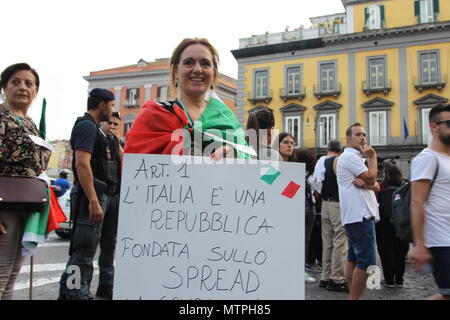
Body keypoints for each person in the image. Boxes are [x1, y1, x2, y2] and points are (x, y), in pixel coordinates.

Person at [124, 38, 247, 159]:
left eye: (205, 63)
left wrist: (235, 153)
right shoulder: (152, 116)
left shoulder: (227, 117)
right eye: (189, 62)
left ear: (213, 73)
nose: (198, 69)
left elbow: (249, 155)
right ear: (176, 72)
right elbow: (131, 168)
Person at [58, 88, 121, 300]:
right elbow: (82, 164)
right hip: (91, 196)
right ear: (102, 104)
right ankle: (75, 292)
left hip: (107, 194)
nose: (113, 110)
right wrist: (93, 200)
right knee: (83, 249)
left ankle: (96, 289)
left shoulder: (101, 132)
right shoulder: (86, 126)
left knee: (105, 246)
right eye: (111, 105)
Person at [0, 63, 51, 299]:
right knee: (1, 273)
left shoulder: (30, 123)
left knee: (12, 275)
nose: (23, 87)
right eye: (16, 82)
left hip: (28, 203)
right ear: (4, 87)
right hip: (4, 205)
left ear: (35, 91)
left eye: (29, 83)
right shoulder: (1, 116)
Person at [409, 103, 450, 300]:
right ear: (434, 127)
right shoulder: (427, 158)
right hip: (441, 239)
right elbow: (417, 202)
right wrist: (420, 245)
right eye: (449, 123)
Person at [336, 122, 379, 300]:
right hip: (360, 215)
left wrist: (369, 183)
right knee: (367, 261)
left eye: (364, 135)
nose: (363, 138)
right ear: (348, 139)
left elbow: (375, 185)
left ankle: (353, 297)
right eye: (358, 134)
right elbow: (372, 177)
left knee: (353, 258)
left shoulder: (354, 158)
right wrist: (373, 156)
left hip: (357, 215)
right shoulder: (350, 157)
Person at [312, 139, 348, 292]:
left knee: (327, 241)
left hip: (324, 204)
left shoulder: (321, 161)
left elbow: (316, 185)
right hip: (337, 203)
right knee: (340, 240)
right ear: (340, 150)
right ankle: (338, 278)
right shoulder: (338, 161)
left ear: (328, 149)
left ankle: (325, 276)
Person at [375, 162, 409, 288]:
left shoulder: (381, 186)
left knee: (385, 250)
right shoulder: (404, 186)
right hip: (401, 222)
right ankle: (399, 279)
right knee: (401, 250)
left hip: (384, 222)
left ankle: (389, 279)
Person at [292, 148, 318, 284]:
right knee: (305, 240)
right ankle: (300, 268)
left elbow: (289, 192)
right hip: (309, 206)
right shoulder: (310, 174)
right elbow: (317, 190)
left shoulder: (295, 172)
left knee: (301, 240)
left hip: (300, 206)